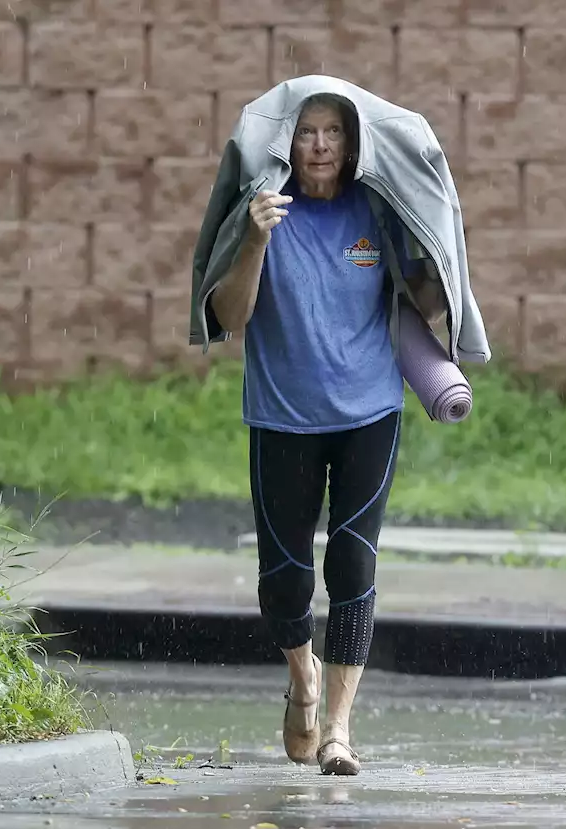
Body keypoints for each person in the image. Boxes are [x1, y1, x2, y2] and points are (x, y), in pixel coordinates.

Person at [209, 93, 445, 776]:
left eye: (332, 133)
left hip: (370, 410)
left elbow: (425, 300)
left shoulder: (376, 207)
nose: (319, 146)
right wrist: (254, 237)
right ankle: (302, 676)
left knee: (353, 563)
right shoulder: (263, 208)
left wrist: (433, 250)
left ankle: (339, 728)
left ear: (351, 143)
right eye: (307, 132)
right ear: (290, 141)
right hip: (282, 414)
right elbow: (231, 315)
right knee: (285, 581)